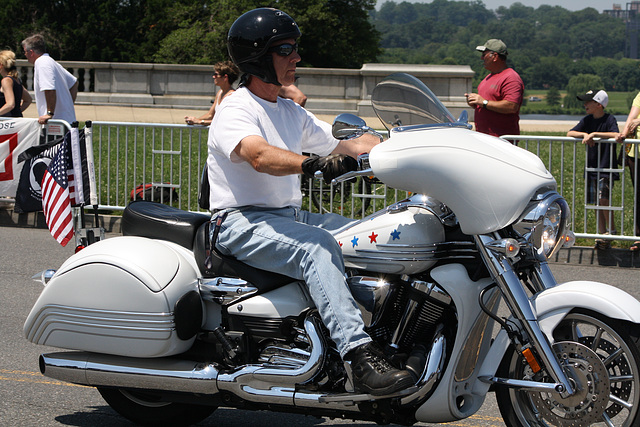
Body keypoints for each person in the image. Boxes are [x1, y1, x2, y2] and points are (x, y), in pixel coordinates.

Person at [208, 7, 414, 396]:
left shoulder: (288, 110)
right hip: (238, 222)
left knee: (373, 233)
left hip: (287, 215)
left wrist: (411, 151)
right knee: (316, 248)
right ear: (258, 57)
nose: (296, 57)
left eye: (295, 48)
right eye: (285, 49)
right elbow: (258, 155)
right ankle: (359, 356)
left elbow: (350, 143)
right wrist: (313, 164)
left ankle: (390, 334)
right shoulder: (236, 108)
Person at [568, 90, 619, 249]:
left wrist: (595, 134)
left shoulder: (609, 119)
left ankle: (611, 231)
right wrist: (584, 134)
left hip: (606, 167)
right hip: (592, 168)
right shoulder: (587, 120)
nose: (585, 105)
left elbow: (615, 134)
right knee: (596, 202)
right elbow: (570, 132)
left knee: (604, 199)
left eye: (588, 102)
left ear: (598, 104)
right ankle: (601, 234)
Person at [465, 39, 524, 139]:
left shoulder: (511, 78)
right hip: (485, 138)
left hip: (501, 140)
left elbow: (511, 106)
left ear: (495, 56)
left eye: (484, 55)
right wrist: (476, 103)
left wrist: (483, 102)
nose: (481, 58)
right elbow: (488, 105)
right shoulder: (488, 78)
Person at [21, 34, 78, 125]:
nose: (25, 55)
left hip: (55, 124)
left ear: (31, 52)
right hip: (66, 121)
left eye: (25, 52)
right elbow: (74, 82)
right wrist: (67, 106)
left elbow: (49, 88)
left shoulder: (42, 63)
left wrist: (49, 113)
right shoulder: (51, 61)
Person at [615, 92, 640, 251]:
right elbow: (632, 115)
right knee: (639, 195)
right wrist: (623, 134)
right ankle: (638, 236)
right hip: (636, 154)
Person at [185, 61, 239, 126]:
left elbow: (222, 121)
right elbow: (210, 115)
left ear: (225, 77)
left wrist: (200, 121)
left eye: (216, 74)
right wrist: (193, 120)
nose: (213, 77)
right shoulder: (220, 93)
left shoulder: (232, 97)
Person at [0, 50, 31, 117]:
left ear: (1, 65)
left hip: (7, 122)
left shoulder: (6, 80)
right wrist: (17, 112)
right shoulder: (16, 80)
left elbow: (10, 104)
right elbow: (28, 99)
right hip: (16, 120)